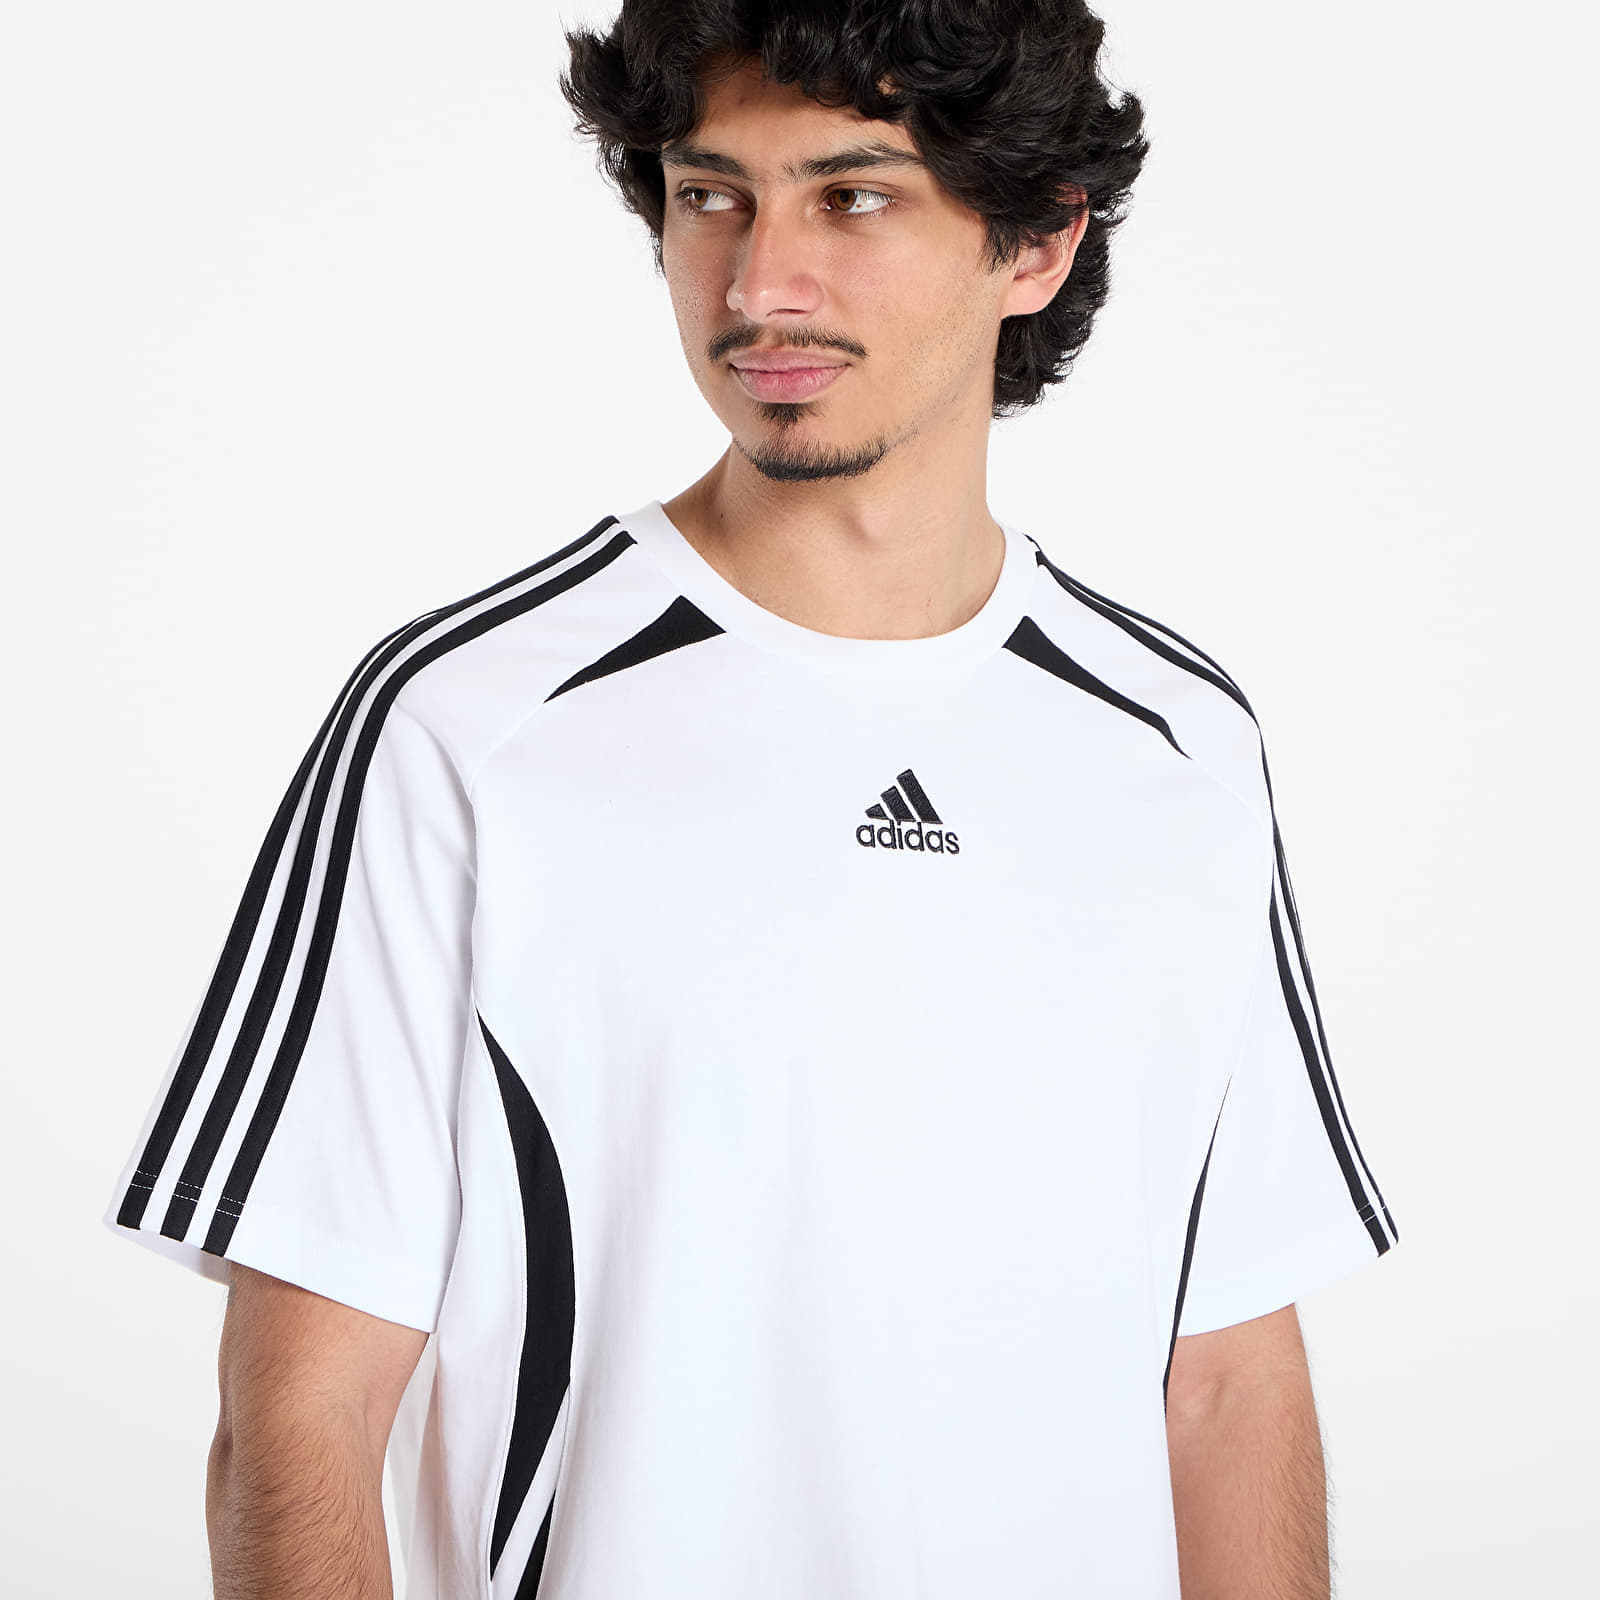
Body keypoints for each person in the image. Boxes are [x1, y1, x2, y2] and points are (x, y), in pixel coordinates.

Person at [107, 2, 1398, 1596]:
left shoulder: (1181, 744)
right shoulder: (468, 726)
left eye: (852, 197)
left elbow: (1229, 1382)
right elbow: (298, 1412)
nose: (759, 284)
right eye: (712, 196)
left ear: (1037, 243)